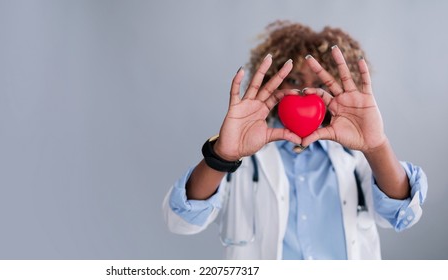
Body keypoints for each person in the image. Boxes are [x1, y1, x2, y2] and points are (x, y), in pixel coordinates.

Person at [162, 21, 428, 260]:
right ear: (273, 81)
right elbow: (181, 220)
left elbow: (403, 215)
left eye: (320, 82)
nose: (305, 91)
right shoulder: (249, 151)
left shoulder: (354, 155)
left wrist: (376, 146)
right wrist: (222, 156)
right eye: (294, 79)